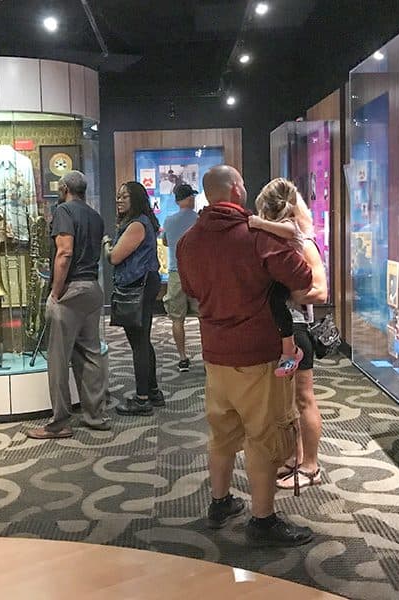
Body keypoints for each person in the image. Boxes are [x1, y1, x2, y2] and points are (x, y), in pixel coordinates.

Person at [177, 165, 314, 547]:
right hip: (258, 355)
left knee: (221, 435)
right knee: (263, 436)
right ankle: (263, 519)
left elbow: (190, 288)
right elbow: (302, 278)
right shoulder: (256, 236)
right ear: (237, 189)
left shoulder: (188, 240)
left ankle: (219, 504)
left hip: (214, 356)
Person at [250, 180, 328, 490]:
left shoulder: (302, 243)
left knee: (302, 398)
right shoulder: (276, 241)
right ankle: (295, 458)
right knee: (284, 403)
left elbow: (320, 292)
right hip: (275, 331)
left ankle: (311, 465)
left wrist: (291, 295)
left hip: (295, 331)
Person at [27, 170, 110, 439]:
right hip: (92, 289)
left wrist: (55, 291)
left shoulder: (64, 211)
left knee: (58, 359)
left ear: (63, 188)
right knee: (91, 354)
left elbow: (64, 252)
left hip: (71, 291)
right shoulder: (95, 216)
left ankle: (59, 422)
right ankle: (95, 416)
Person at [103, 181, 164, 415]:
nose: (119, 200)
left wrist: (107, 245)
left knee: (138, 342)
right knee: (142, 340)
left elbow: (115, 257)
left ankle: (142, 399)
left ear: (136, 200)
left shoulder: (137, 224)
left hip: (138, 286)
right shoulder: (137, 223)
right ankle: (152, 391)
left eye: (124, 197)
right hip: (141, 284)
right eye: (118, 196)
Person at [249, 178, 311, 377]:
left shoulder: (288, 224)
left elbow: (289, 231)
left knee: (277, 303)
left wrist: (260, 223)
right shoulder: (278, 226)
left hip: (288, 278)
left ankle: (290, 352)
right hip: (281, 276)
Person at [162, 183, 200, 372]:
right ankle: (207, 355)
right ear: (190, 198)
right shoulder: (199, 219)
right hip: (197, 272)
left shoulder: (169, 220)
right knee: (203, 317)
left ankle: (183, 357)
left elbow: (166, 242)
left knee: (177, 318)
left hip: (176, 272)